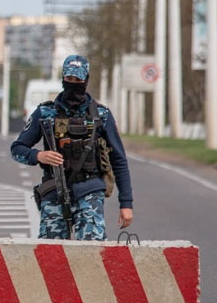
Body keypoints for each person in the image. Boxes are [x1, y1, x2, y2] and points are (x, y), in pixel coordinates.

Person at [10, 54, 133, 240]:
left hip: (90, 191)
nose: (73, 83)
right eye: (69, 79)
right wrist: (38, 156)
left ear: (86, 80)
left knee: (93, 254)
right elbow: (17, 149)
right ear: (63, 78)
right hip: (54, 191)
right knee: (50, 256)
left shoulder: (101, 115)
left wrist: (126, 203)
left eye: (78, 79)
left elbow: (119, 160)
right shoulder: (45, 113)